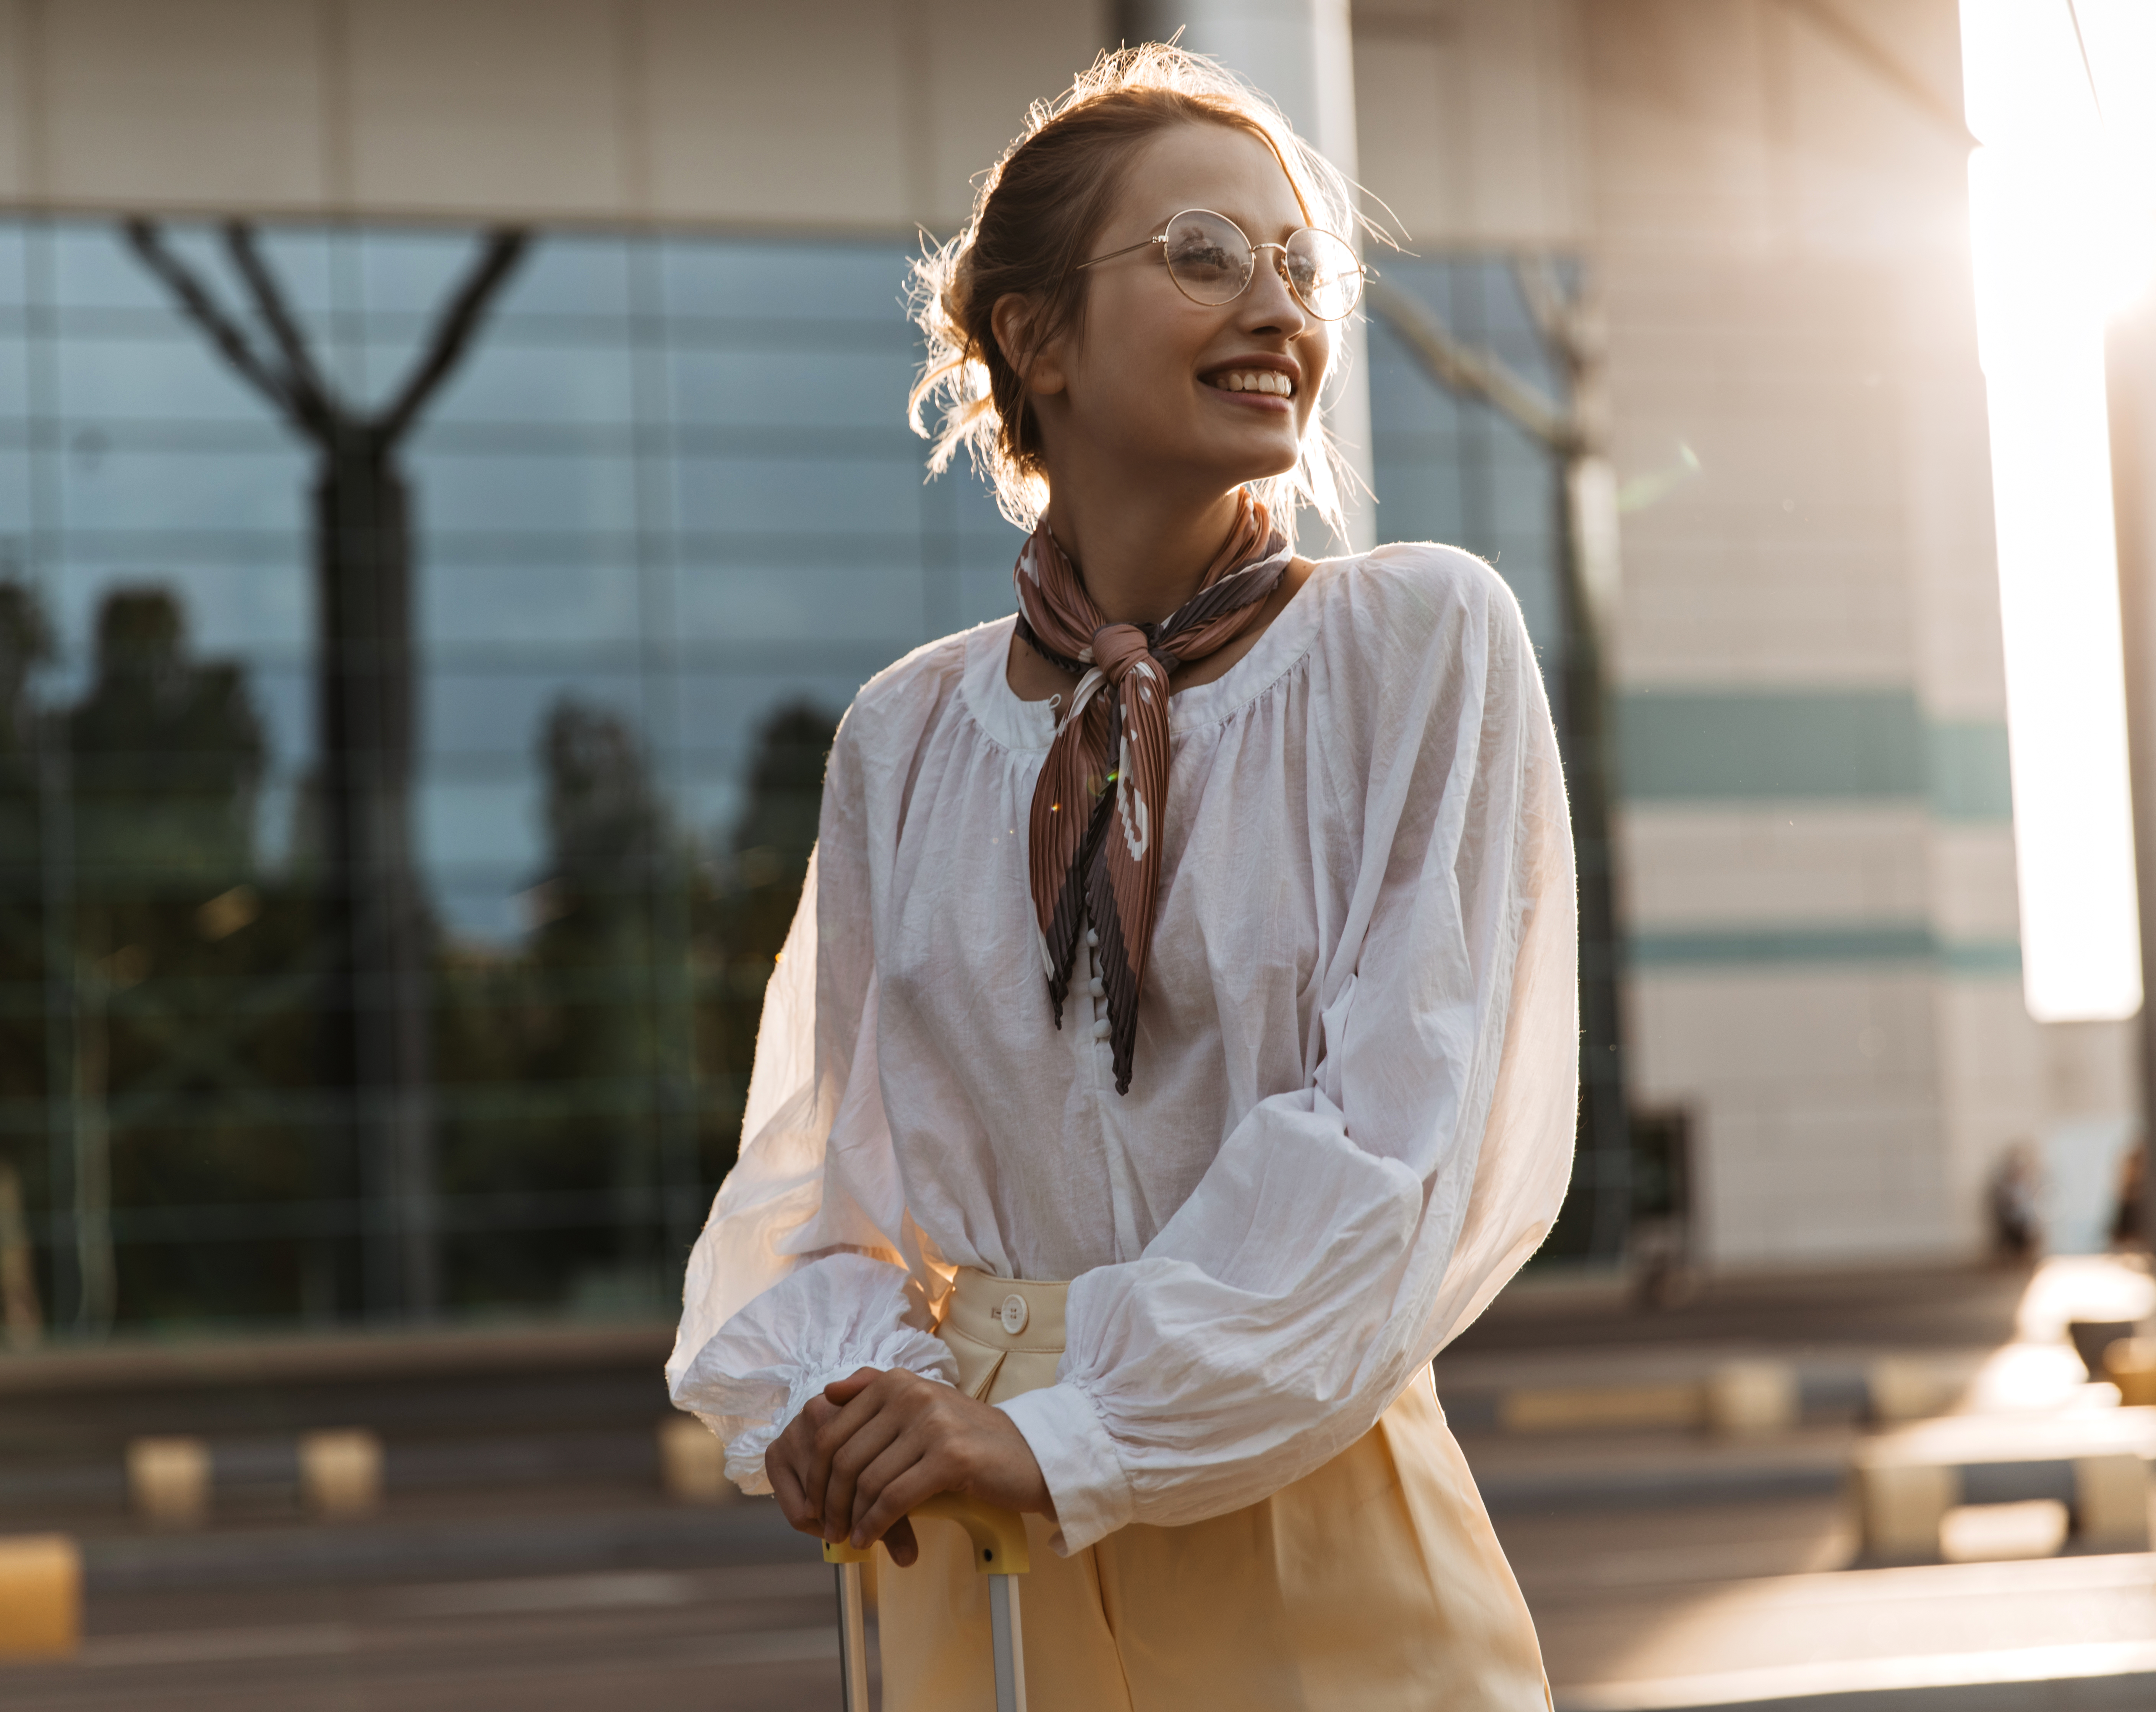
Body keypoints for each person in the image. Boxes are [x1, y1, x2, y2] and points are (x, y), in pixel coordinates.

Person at [667, 43, 1576, 1710]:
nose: (1279, 308)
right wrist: (839, 1403)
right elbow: (831, 1186)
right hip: (966, 1543)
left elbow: (1397, 1141)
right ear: (1035, 339)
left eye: (1301, 266)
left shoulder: (1420, 641)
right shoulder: (906, 736)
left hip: (1294, 1512)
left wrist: (1068, 1426)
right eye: (1204, 258)